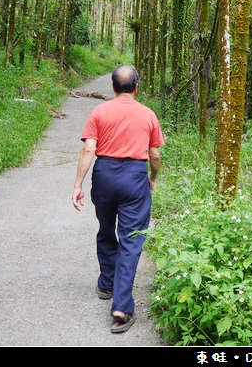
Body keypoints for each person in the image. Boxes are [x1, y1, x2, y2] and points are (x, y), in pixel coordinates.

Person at [72, 65, 164, 334]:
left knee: (105, 228)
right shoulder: (147, 114)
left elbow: (89, 147)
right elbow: (155, 154)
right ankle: (121, 307)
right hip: (134, 177)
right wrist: (152, 178)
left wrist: (77, 184)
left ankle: (106, 283)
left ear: (113, 87)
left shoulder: (99, 111)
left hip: (104, 175)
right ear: (136, 87)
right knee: (132, 238)